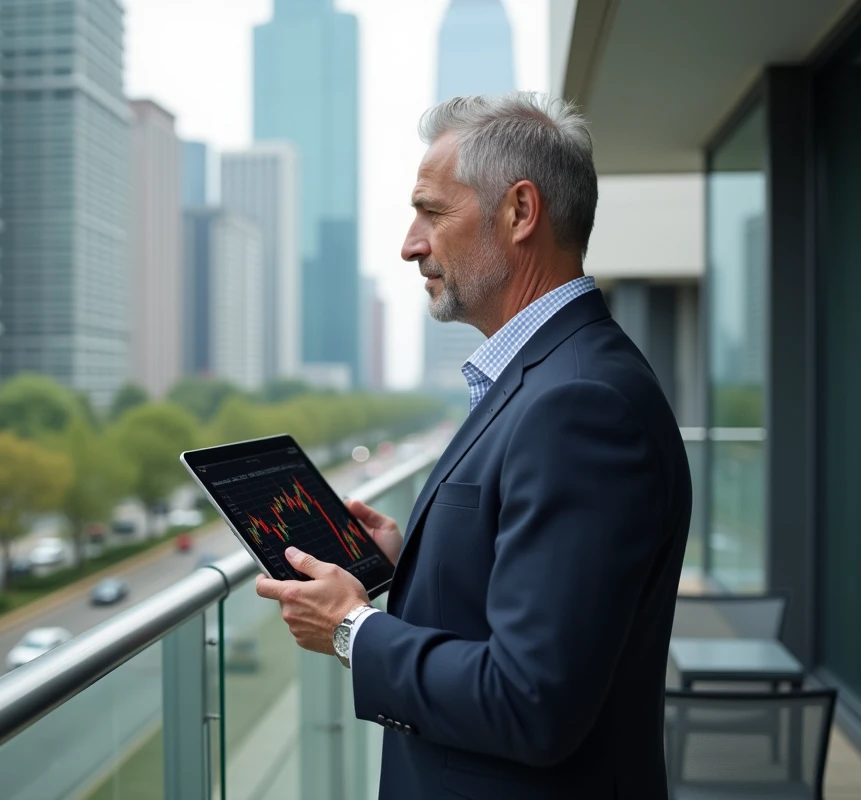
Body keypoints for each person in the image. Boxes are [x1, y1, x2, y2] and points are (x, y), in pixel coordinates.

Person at [256, 92, 691, 800]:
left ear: (520, 212)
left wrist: (350, 630)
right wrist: (411, 561)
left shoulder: (580, 404)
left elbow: (531, 700)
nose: (410, 244)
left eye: (432, 212)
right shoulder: (553, 377)